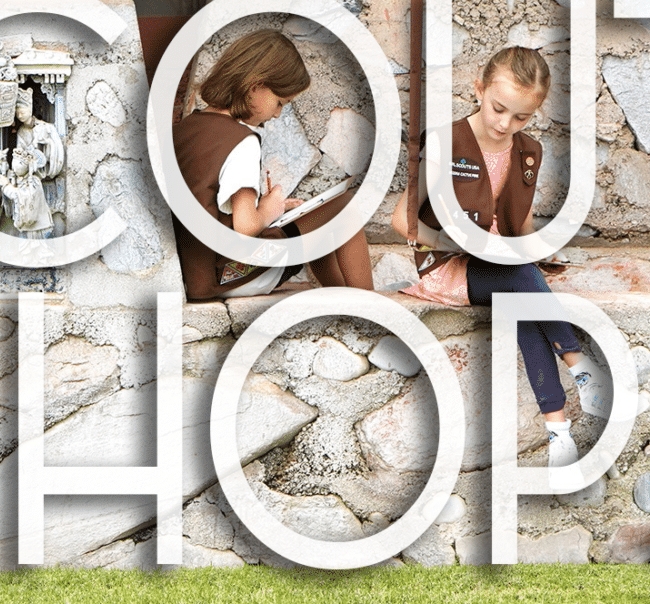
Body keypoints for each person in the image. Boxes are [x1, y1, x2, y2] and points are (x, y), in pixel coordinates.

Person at [391, 46, 600, 479]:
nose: (505, 124)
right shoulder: (445, 142)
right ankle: (580, 366)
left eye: (521, 117)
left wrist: (540, 252)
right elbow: (401, 221)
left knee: (519, 291)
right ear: (479, 89)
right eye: (498, 109)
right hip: (448, 268)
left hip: (505, 269)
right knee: (518, 279)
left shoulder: (528, 152)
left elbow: (518, 223)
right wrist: (454, 242)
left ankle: (559, 432)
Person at [172, 29, 373, 303]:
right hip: (227, 275)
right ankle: (370, 305)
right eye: (280, 102)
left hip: (193, 272)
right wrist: (268, 210)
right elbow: (245, 227)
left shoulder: (186, 129)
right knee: (342, 205)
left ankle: (346, 298)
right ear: (255, 87)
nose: (278, 114)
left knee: (316, 219)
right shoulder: (241, 141)